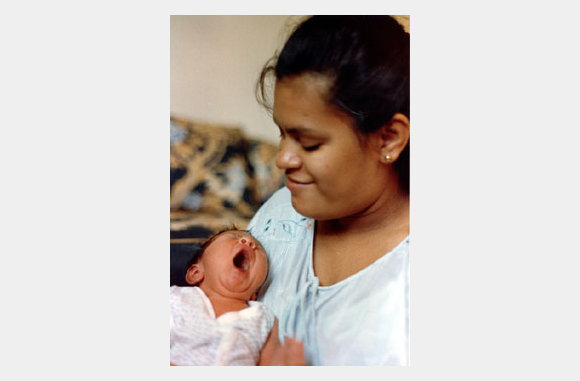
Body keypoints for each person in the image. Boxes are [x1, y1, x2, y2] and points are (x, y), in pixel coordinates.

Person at [249, 15, 410, 365]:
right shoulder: (278, 214)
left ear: (389, 138)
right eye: (282, 134)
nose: (283, 159)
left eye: (308, 143)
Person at [170, 228, 305, 365]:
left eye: (258, 250)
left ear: (254, 293)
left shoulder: (263, 318)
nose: (249, 242)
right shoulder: (176, 298)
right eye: (233, 236)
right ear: (196, 273)